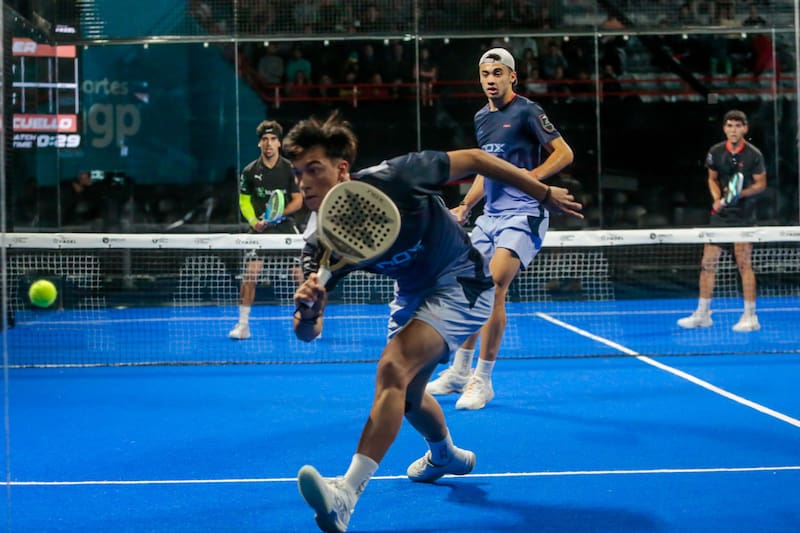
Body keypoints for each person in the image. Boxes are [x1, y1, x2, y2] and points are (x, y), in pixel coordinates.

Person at [285, 112, 582, 533]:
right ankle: (446, 455)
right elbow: (307, 332)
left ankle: (346, 495)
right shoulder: (319, 244)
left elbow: (478, 159)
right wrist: (310, 313)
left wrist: (542, 191)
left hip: (461, 278)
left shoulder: (396, 177)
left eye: (314, 169)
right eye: (298, 174)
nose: (304, 183)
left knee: (392, 367)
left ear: (342, 168)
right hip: (412, 293)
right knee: (407, 397)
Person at [426, 47, 575, 410]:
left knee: (493, 287)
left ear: (512, 77)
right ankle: (459, 372)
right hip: (489, 217)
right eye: (485, 74)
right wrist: (466, 205)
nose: (490, 80)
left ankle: (483, 380)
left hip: (523, 214)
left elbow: (564, 153)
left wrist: (531, 180)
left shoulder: (527, 110)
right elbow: (487, 169)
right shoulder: (481, 117)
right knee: (470, 287)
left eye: (497, 73)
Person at [677, 110, 767, 333]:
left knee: (744, 264)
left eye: (738, 126)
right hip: (720, 216)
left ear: (745, 128)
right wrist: (718, 198)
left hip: (744, 217)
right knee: (707, 264)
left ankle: (750, 316)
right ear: (724, 128)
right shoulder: (715, 152)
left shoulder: (754, 155)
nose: (733, 130)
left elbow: (761, 184)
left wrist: (738, 194)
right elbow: (712, 178)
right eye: (729, 126)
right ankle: (703, 313)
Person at [228, 120, 303, 340]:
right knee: (250, 274)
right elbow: (244, 201)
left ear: (279, 144)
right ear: (260, 144)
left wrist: (277, 215)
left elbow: (298, 200)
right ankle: (243, 325)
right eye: (264, 140)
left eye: (272, 139)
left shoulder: (290, 169)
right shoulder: (250, 171)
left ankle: (307, 320)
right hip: (260, 231)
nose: (268, 144)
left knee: (300, 276)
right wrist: (254, 221)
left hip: (286, 229)